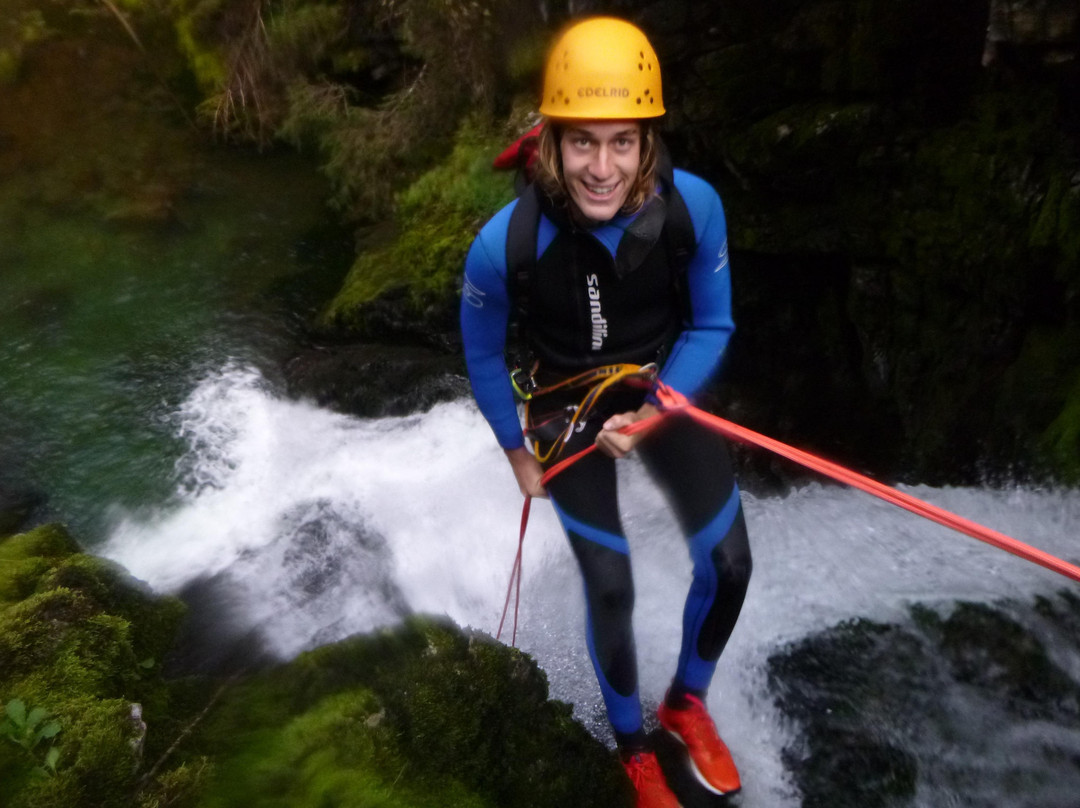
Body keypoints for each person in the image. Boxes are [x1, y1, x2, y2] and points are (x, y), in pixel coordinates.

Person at [460, 16, 752, 808]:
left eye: (622, 142)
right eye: (582, 142)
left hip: (662, 384)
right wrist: (519, 455)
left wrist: (657, 411)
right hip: (566, 407)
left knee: (730, 565)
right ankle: (633, 750)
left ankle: (685, 704)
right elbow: (484, 355)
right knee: (612, 585)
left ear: (647, 140)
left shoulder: (693, 208)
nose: (602, 166)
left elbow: (713, 323)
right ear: (551, 141)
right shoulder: (503, 246)